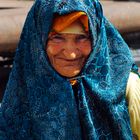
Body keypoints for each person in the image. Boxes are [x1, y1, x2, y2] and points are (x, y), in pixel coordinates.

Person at [0, 0, 140, 139]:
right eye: (57, 38)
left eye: (82, 38)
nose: (70, 53)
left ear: (97, 38)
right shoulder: (22, 92)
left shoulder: (127, 88)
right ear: (38, 41)